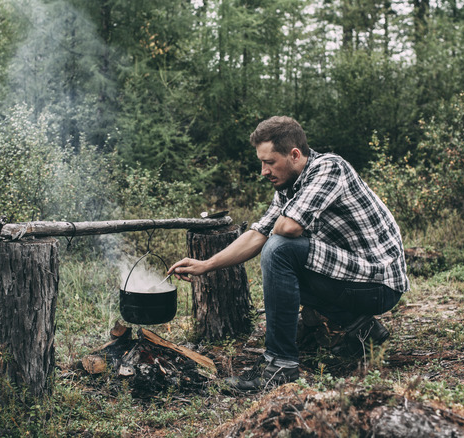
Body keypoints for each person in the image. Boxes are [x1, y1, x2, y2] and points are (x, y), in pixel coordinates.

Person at [168, 116, 409, 392]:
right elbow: (259, 233)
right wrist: (206, 265)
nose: (263, 171)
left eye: (269, 162)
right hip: (350, 276)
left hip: (379, 284)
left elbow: (288, 227)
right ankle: (366, 333)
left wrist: (275, 233)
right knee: (278, 250)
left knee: (279, 251)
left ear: (294, 154)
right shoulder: (289, 185)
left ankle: (280, 366)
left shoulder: (329, 168)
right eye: (261, 162)